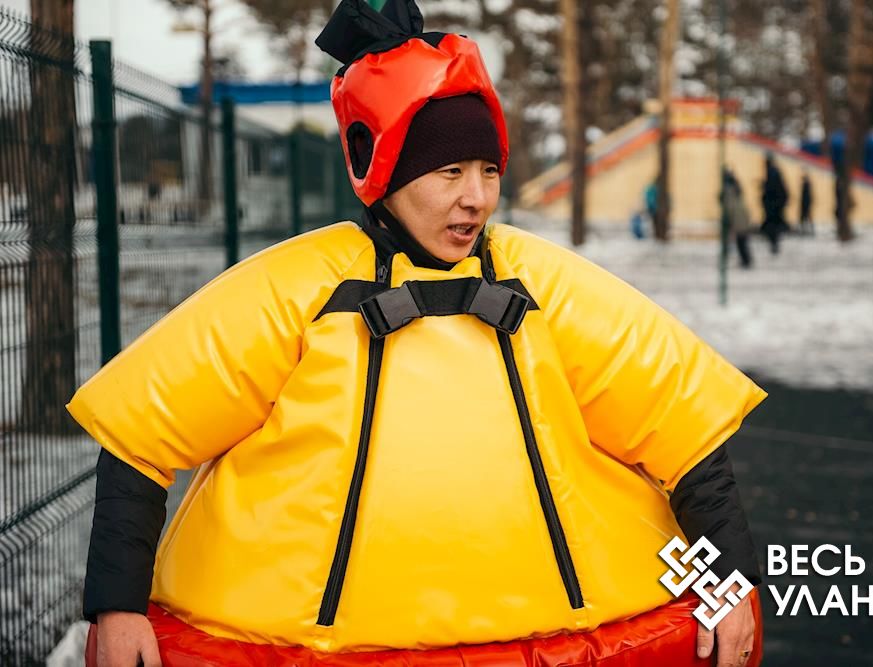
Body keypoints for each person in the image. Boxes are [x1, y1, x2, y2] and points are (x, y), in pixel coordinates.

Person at [70, 1, 767, 665]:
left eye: (489, 171)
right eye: (449, 171)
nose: (476, 197)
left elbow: (679, 425)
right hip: (303, 639)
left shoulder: (542, 285)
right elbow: (144, 431)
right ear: (385, 172)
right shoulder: (298, 290)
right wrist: (118, 606)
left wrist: (730, 584)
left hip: (559, 628)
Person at [721, 168, 753, 269]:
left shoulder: (729, 191)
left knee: (741, 242)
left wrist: (730, 220)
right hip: (741, 215)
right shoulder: (736, 189)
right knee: (742, 241)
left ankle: (746, 261)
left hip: (737, 217)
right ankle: (746, 260)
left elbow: (729, 206)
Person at [759, 153, 788, 254]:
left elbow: (772, 189)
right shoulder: (773, 172)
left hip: (774, 204)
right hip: (775, 204)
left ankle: (774, 244)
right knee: (773, 225)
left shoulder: (772, 173)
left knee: (772, 226)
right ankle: (774, 244)